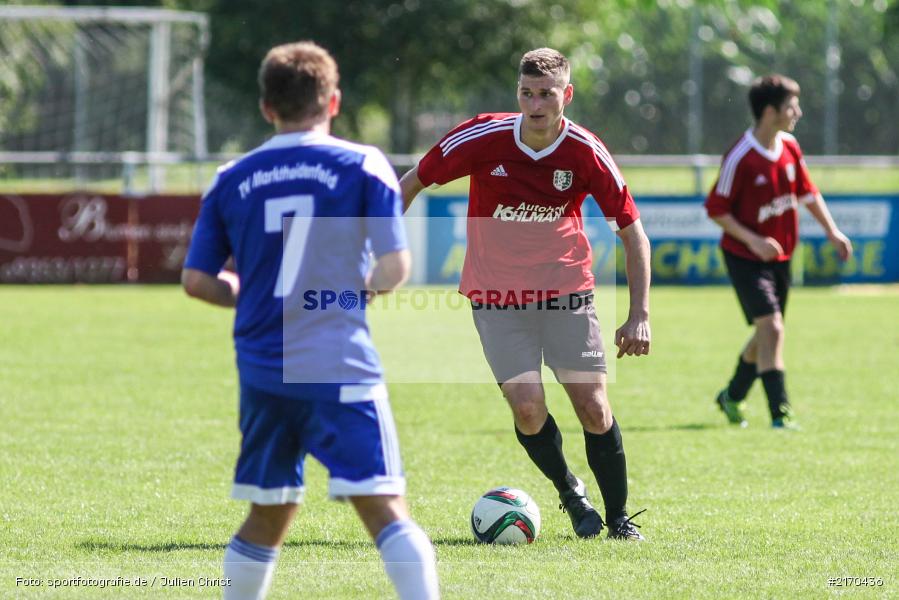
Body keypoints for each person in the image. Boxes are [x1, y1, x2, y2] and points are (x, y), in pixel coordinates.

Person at [182, 41, 439, 599]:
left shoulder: (231, 176)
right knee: (384, 508)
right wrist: (357, 292)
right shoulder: (362, 163)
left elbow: (196, 280)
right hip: (337, 363)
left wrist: (251, 298)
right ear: (334, 101)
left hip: (262, 371)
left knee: (268, 514)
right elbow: (395, 268)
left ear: (266, 107)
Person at [400, 48, 651, 540]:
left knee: (594, 408)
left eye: (546, 94)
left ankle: (620, 518)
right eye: (526, 93)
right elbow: (411, 183)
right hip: (496, 299)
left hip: (566, 293)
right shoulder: (483, 136)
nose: (535, 104)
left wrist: (638, 313)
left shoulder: (585, 151)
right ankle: (570, 492)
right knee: (528, 408)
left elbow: (632, 232)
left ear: (567, 96)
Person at [706, 74, 852, 430]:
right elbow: (716, 208)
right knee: (771, 327)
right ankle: (779, 413)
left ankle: (732, 396)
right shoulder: (741, 155)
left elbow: (807, 192)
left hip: (782, 256)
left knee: (766, 333)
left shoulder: (789, 147)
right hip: (745, 257)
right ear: (770, 111)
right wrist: (752, 239)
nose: (797, 112)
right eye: (791, 106)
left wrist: (832, 231)